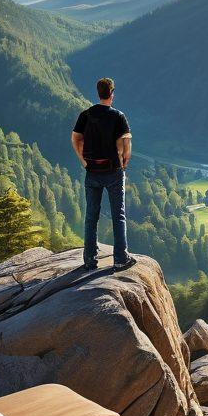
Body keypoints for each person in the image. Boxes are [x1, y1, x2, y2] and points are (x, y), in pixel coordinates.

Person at [71, 77, 136, 271]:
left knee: (91, 216)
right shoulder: (118, 116)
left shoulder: (86, 115)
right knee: (119, 216)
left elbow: (75, 138)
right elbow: (126, 145)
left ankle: (90, 260)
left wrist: (82, 160)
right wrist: (123, 164)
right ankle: (120, 259)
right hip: (113, 171)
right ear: (112, 94)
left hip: (92, 171)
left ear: (98, 93)